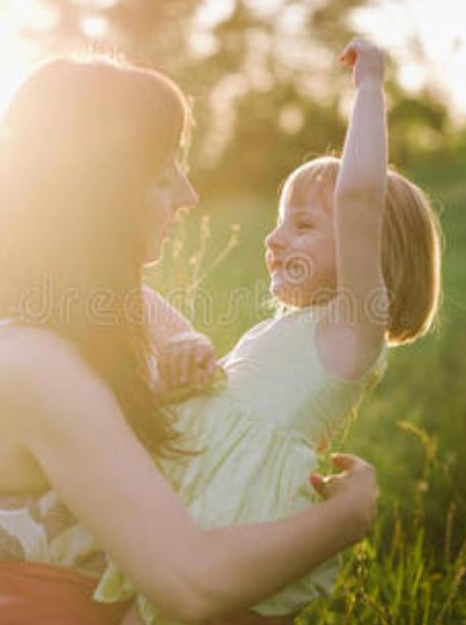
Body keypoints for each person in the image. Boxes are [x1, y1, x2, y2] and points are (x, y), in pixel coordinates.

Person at [0, 53, 382, 624]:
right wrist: (345, 519)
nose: (188, 195)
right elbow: (192, 582)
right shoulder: (30, 364)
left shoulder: (125, 314)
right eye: (162, 176)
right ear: (97, 195)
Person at [92, 39, 442, 624]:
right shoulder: (289, 328)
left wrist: (371, 86)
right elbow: (221, 399)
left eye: (303, 225)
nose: (274, 240)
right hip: (204, 512)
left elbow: (359, 199)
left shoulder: (352, 326)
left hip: (250, 523)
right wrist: (189, 363)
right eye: (279, 224)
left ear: (371, 252)